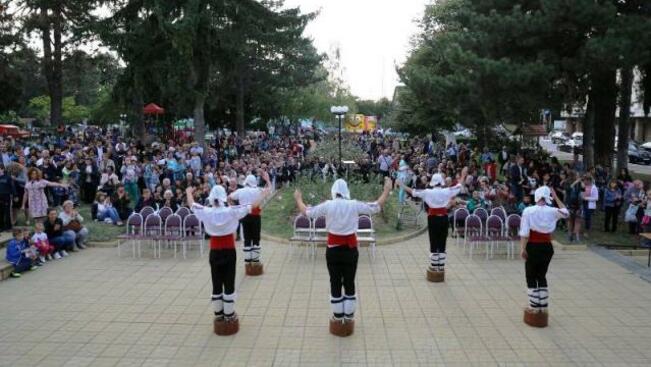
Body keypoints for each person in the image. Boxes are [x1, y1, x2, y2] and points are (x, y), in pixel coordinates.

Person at [294, 178, 391, 335]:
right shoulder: (353, 204)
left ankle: (338, 316)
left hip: (333, 250)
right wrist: (386, 190)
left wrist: (298, 198)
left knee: (335, 281)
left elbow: (308, 213)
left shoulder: (328, 204)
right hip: (351, 250)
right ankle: (349, 315)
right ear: (346, 191)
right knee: (349, 281)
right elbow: (376, 207)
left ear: (334, 191)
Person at [186, 184, 270, 335]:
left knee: (216, 281)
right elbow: (252, 205)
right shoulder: (232, 211)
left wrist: (188, 192)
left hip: (214, 251)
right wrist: (263, 194)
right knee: (229, 282)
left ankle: (219, 314)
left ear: (211, 198)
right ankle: (229, 315)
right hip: (229, 250)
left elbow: (192, 204)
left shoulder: (206, 211)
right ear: (224, 196)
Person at [398, 171, 466, 280]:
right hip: (444, 218)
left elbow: (413, 192)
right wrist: (463, 175)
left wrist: (402, 185)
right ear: (441, 182)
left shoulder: (427, 192)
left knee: (433, 240)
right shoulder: (446, 191)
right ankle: (441, 265)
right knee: (442, 241)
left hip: (433, 218)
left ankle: (434, 266)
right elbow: (459, 186)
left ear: (433, 182)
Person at [519, 186, 569, 327]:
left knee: (530, 276)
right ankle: (543, 306)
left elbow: (524, 233)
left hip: (533, 245)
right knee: (541, 275)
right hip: (547, 247)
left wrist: (522, 248)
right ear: (548, 197)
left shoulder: (528, 211)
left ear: (537, 196)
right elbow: (566, 213)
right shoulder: (553, 211)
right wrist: (556, 196)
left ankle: (534, 307)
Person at [228, 172, 271, 273]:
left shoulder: (240, 191)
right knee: (256, 238)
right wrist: (267, 180)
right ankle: (255, 261)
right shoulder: (258, 190)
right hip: (255, 216)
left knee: (247, 238)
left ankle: (248, 262)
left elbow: (229, 197)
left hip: (244, 216)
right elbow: (269, 190)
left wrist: (234, 207)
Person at [0, 164, 16, 232]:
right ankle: (1, 226)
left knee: (7, 212)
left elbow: (12, 187)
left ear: (2, 169)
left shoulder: (8, 177)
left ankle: (8, 227)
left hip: (6, 196)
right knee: (0, 212)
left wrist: (15, 195)